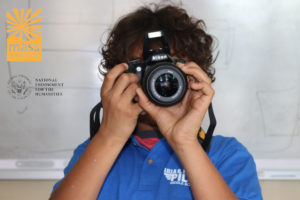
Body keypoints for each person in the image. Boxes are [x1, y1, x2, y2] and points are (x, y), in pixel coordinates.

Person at [50, 4, 262, 200]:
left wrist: (185, 142)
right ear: (119, 79)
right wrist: (110, 136)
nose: (159, 82)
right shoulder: (96, 150)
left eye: (170, 70)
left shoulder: (226, 155)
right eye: (145, 70)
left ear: (195, 78)